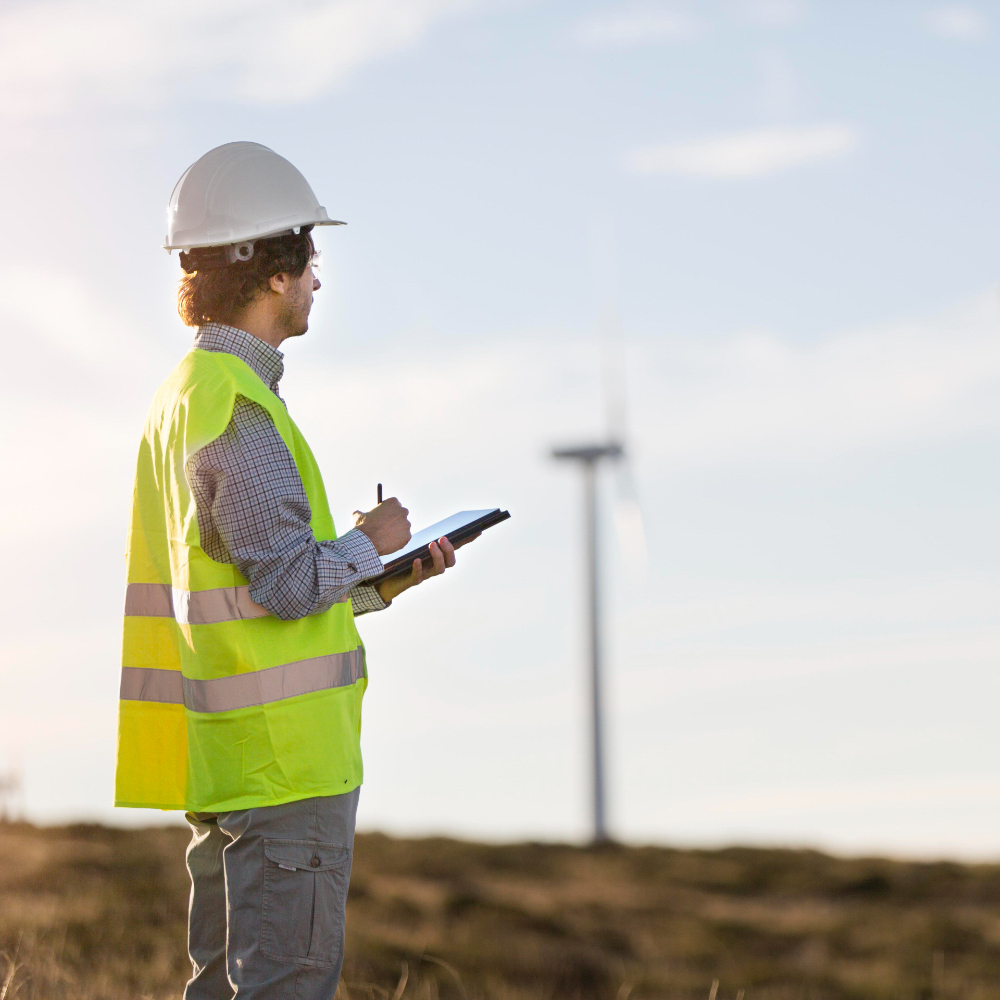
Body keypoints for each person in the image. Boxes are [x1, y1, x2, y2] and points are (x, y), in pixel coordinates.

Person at [114, 142, 474, 1000]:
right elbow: (281, 586)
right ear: (272, 271)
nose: (319, 280)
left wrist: (384, 579)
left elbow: (244, 588)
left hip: (233, 768)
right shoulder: (238, 408)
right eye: (310, 259)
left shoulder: (185, 398)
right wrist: (372, 535)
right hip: (287, 778)